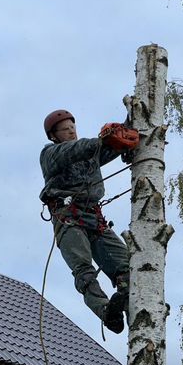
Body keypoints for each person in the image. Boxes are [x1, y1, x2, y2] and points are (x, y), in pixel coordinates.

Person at [39, 109, 136, 334]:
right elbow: (76, 150)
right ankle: (105, 312)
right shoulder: (51, 154)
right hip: (67, 217)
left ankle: (131, 302)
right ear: (54, 136)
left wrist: (130, 122)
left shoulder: (92, 150)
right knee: (83, 270)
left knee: (126, 266)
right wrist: (104, 140)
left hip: (94, 218)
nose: (71, 131)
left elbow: (109, 147)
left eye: (73, 127)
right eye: (65, 129)